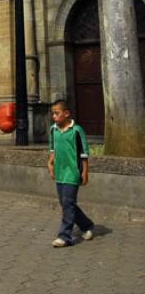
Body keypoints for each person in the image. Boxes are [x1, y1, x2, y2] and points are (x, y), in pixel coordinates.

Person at [47, 98, 94, 247]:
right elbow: (53, 148)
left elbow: (84, 153)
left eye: (56, 113)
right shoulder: (53, 129)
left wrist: (85, 172)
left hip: (73, 172)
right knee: (66, 202)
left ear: (66, 113)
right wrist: (50, 162)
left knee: (67, 203)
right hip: (59, 171)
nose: (54, 116)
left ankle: (64, 236)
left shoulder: (76, 130)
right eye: (52, 114)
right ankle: (86, 225)